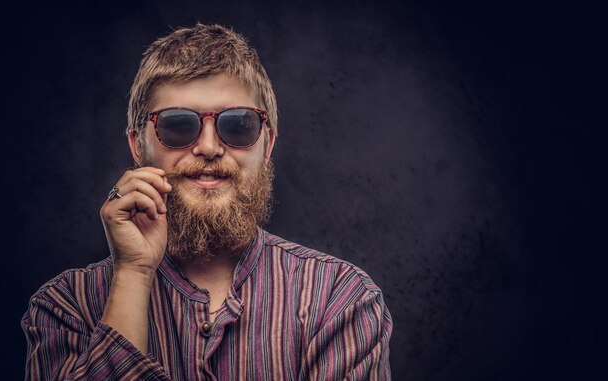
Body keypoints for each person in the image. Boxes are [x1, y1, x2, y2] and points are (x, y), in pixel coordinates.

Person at [22, 23, 393, 380]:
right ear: (138, 145)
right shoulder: (66, 307)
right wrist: (133, 274)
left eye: (238, 125)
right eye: (178, 125)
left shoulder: (338, 298)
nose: (209, 147)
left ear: (268, 146)